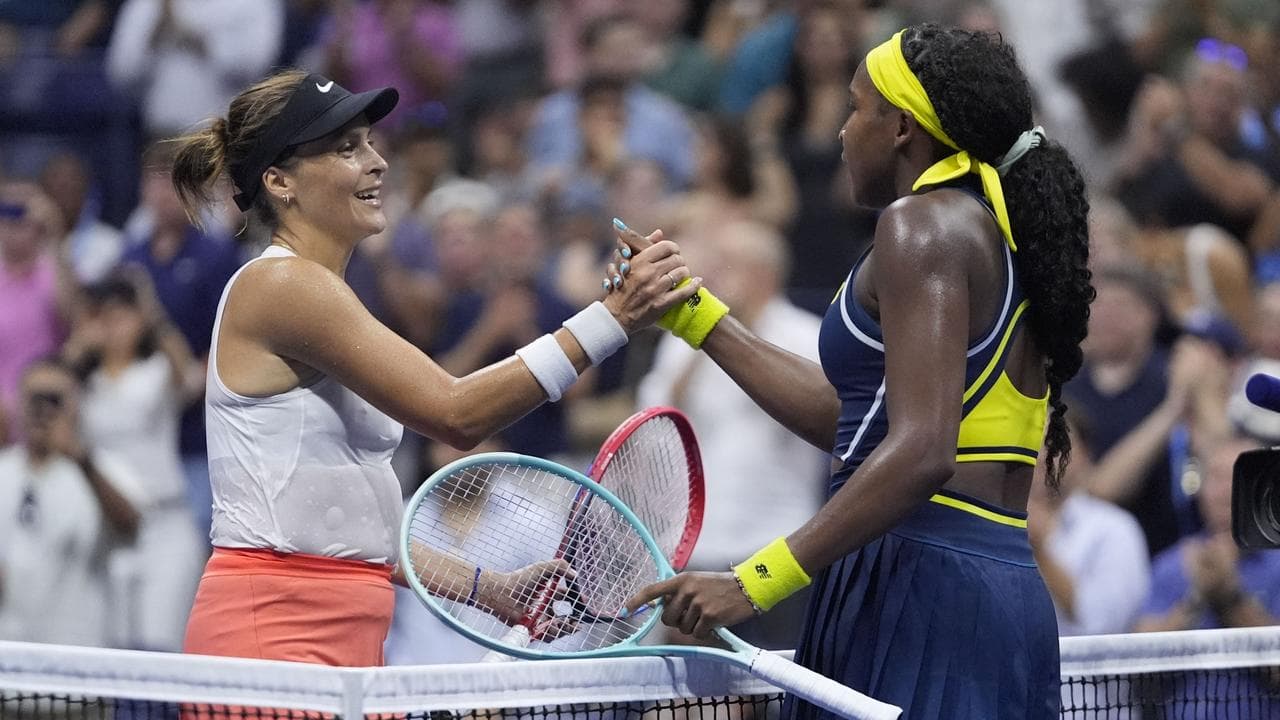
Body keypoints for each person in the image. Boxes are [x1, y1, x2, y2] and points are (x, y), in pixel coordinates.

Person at [619, 24, 1093, 719]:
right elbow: (860, 422)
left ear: (900, 127)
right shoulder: (991, 224)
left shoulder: (921, 226)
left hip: (922, 581)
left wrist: (755, 582)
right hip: (971, 582)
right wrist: (695, 317)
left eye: (856, 107)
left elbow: (922, 451)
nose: (842, 131)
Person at [166, 69, 696, 667]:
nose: (377, 162)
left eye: (369, 142)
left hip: (350, 631)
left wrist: (488, 589)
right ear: (279, 181)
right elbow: (456, 413)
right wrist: (612, 320)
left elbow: (352, 522)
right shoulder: (282, 285)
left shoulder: (324, 295)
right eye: (346, 149)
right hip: (275, 627)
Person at [0, 357, 142, 647]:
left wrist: (79, 458)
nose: (42, 410)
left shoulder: (101, 469)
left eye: (54, 399)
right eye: (34, 398)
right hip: (9, 651)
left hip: (75, 654)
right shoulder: (4, 470)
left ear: (76, 404)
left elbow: (131, 526)